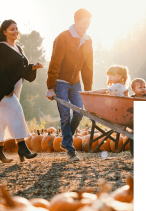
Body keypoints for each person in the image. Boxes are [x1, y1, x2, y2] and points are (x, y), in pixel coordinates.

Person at [0, 19, 44, 164]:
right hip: (2, 90)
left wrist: (32, 68)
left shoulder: (18, 48)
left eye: (16, 29)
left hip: (14, 90)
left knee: (1, 120)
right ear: (4, 31)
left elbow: (21, 71)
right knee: (17, 112)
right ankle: (22, 147)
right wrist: (7, 89)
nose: (15, 31)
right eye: (12, 29)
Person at [46, 9, 93, 161]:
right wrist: (50, 87)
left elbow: (88, 67)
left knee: (79, 112)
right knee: (65, 115)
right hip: (60, 83)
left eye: (88, 23)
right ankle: (71, 151)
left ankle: (66, 140)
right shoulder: (63, 37)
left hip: (76, 83)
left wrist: (88, 92)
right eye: (84, 23)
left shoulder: (87, 40)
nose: (86, 26)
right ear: (76, 20)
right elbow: (55, 62)